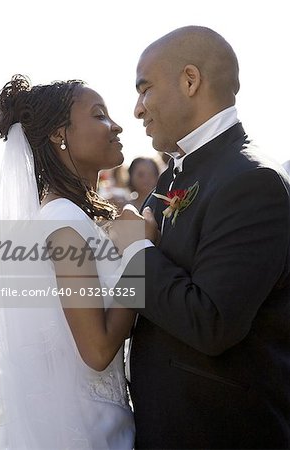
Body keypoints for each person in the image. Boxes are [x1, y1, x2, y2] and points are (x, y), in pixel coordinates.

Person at [109, 26, 290, 449]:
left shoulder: (252, 182)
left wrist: (136, 248)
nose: (137, 109)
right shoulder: (175, 174)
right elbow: (146, 302)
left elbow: (211, 323)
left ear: (190, 81)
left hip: (219, 432)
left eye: (145, 89)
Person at [0, 75, 135, 449]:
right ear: (62, 134)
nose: (117, 125)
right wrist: (139, 257)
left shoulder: (70, 217)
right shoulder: (63, 221)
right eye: (100, 115)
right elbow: (96, 350)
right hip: (88, 429)